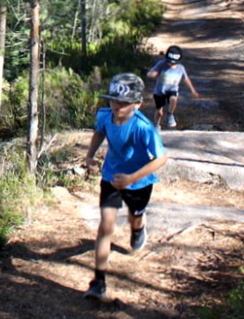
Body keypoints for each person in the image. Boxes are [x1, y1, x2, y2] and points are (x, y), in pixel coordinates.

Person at [81, 72, 168, 302]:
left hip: (139, 183)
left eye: (124, 102)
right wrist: (90, 155)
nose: (117, 106)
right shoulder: (104, 116)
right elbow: (100, 131)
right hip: (110, 177)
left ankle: (139, 227)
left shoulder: (143, 127)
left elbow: (161, 159)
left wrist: (131, 179)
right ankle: (98, 282)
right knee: (105, 227)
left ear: (137, 104)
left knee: (134, 216)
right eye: (114, 100)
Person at [147, 45, 200, 129]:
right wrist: (151, 74)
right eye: (169, 62)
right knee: (159, 111)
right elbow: (152, 72)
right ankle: (156, 124)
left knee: (173, 99)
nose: (171, 64)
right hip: (160, 91)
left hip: (172, 89)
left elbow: (186, 79)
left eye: (174, 63)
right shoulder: (161, 64)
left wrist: (193, 90)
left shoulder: (181, 68)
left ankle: (170, 115)